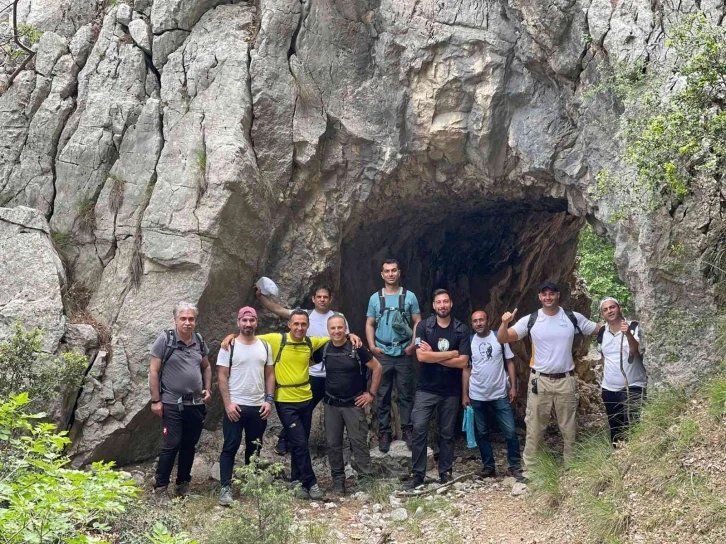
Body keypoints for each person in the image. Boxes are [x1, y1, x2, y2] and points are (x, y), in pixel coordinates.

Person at [221, 310, 362, 500]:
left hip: (306, 398)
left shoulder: (311, 342)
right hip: (285, 400)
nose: (299, 328)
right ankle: (311, 482)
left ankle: (297, 481)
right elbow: (248, 336)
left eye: (303, 324)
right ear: (289, 325)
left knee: (300, 440)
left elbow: (334, 337)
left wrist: (351, 335)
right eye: (296, 323)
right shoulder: (276, 340)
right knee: (300, 441)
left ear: (308, 326)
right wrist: (230, 336)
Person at [497, 282, 602, 476]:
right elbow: (503, 338)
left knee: (569, 427)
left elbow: (597, 329)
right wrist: (504, 323)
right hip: (540, 380)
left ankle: (571, 467)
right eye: (544, 294)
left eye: (551, 294)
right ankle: (531, 470)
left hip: (566, 379)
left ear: (558, 295)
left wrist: (620, 324)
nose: (548, 297)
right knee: (535, 426)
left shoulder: (572, 317)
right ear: (539, 297)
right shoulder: (532, 320)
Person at [255, 285, 348, 455]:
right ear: (313, 299)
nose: (322, 300)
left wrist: (353, 336)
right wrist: (260, 297)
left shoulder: (338, 317)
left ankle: (336, 447)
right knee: (304, 409)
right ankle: (285, 440)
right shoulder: (304, 315)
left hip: (333, 373)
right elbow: (279, 310)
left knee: (338, 408)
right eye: (319, 297)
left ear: (330, 299)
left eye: (325, 297)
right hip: (312, 374)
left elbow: (345, 338)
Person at [404, 289, 470, 489]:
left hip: (451, 391)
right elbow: (421, 357)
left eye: (445, 301)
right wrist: (451, 353)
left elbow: (463, 362)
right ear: (433, 305)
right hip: (426, 389)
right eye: (439, 302)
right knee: (419, 429)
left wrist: (434, 356)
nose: (442, 305)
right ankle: (418, 474)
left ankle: (445, 472)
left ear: (451, 304)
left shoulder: (461, 329)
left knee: (447, 433)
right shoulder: (424, 326)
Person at [148, 302, 212, 505]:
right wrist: (156, 400)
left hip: (196, 403)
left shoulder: (199, 340)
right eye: (183, 318)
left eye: (191, 319)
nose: (187, 322)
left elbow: (206, 366)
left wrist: (208, 388)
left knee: (189, 445)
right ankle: (160, 487)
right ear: (175, 320)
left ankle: (182, 485)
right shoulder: (165, 340)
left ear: (195, 321)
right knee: (172, 444)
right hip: (171, 403)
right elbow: (153, 371)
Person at [314, 314, 382, 495]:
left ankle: (365, 481)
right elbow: (305, 360)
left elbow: (377, 367)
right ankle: (338, 482)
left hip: (354, 404)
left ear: (345, 329)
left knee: (358, 442)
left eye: (340, 327)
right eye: (333, 328)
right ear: (328, 330)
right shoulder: (325, 348)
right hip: (331, 404)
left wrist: (371, 394)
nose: (336, 331)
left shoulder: (357, 347)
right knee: (333, 444)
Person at [217, 307, 275, 506]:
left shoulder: (265, 346)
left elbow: (270, 374)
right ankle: (225, 488)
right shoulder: (229, 347)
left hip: (258, 406)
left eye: (251, 320)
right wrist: (228, 404)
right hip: (236, 406)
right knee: (230, 447)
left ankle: (251, 484)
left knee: (255, 447)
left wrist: (269, 400)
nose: (248, 324)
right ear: (238, 322)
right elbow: (222, 376)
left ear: (256, 322)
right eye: (244, 320)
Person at [365, 259, 421, 453]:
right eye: (387, 271)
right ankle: (384, 432)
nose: (390, 274)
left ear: (399, 272)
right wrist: (372, 346)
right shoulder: (375, 298)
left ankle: (408, 430)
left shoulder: (409, 297)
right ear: (382, 274)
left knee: (406, 393)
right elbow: (370, 323)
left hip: (404, 352)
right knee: (383, 394)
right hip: (383, 353)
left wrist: (413, 344)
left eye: (393, 270)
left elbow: (417, 321)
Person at [463, 310, 522, 480]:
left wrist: (513, 387)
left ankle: (514, 466)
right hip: (477, 394)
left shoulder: (499, 337)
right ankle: (488, 466)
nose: (478, 323)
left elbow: (509, 362)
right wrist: (464, 394)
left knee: (510, 431)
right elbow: (466, 369)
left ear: (488, 320)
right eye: (475, 321)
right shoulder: (469, 341)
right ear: (472, 324)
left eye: (481, 320)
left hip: (499, 393)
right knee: (482, 433)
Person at [598, 297, 646, 446]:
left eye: (612, 307)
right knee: (615, 426)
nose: (609, 311)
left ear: (620, 308)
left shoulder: (634, 327)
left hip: (633, 386)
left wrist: (628, 335)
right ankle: (618, 454)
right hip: (609, 388)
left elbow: (636, 352)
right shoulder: (602, 332)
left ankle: (636, 453)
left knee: (635, 424)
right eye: (605, 309)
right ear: (602, 314)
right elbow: (603, 357)